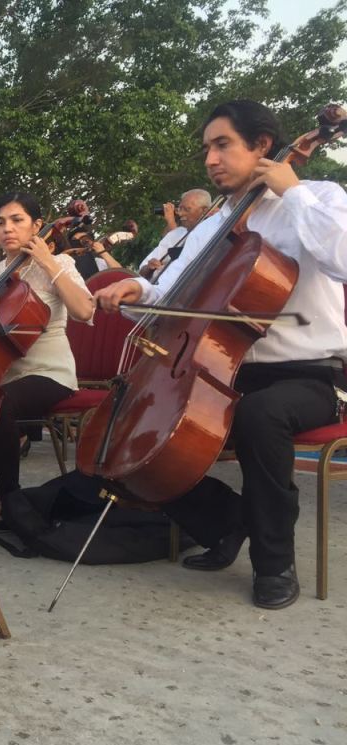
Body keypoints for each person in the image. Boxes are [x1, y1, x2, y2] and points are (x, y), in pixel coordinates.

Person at [94, 99, 347, 609]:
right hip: (220, 371)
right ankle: (227, 523)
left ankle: (274, 562)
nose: (210, 158)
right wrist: (139, 292)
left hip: (311, 378)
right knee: (131, 435)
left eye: (223, 144)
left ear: (262, 147)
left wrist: (292, 194)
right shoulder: (209, 228)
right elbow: (179, 297)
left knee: (260, 415)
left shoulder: (319, 197)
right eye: (207, 147)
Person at [0, 192, 95, 531]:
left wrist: (49, 263)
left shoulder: (61, 265)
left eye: (17, 220)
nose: (7, 228)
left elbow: (84, 311)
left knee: (0, 404)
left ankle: (7, 497)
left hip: (49, 372)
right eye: (0, 222)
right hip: (5, 370)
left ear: (38, 226)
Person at [138, 189, 212, 279]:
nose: (180, 214)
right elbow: (142, 270)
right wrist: (149, 268)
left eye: (186, 209)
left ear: (204, 211)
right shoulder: (175, 234)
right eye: (180, 208)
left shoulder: (213, 233)